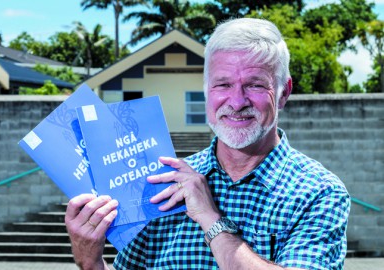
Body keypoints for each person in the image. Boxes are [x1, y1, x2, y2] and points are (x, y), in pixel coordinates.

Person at [65, 18, 350, 270]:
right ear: (206, 91)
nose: (237, 102)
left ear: (284, 91)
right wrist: (91, 262)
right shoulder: (163, 181)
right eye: (223, 85)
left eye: (254, 84)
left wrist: (211, 220)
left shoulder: (319, 192)